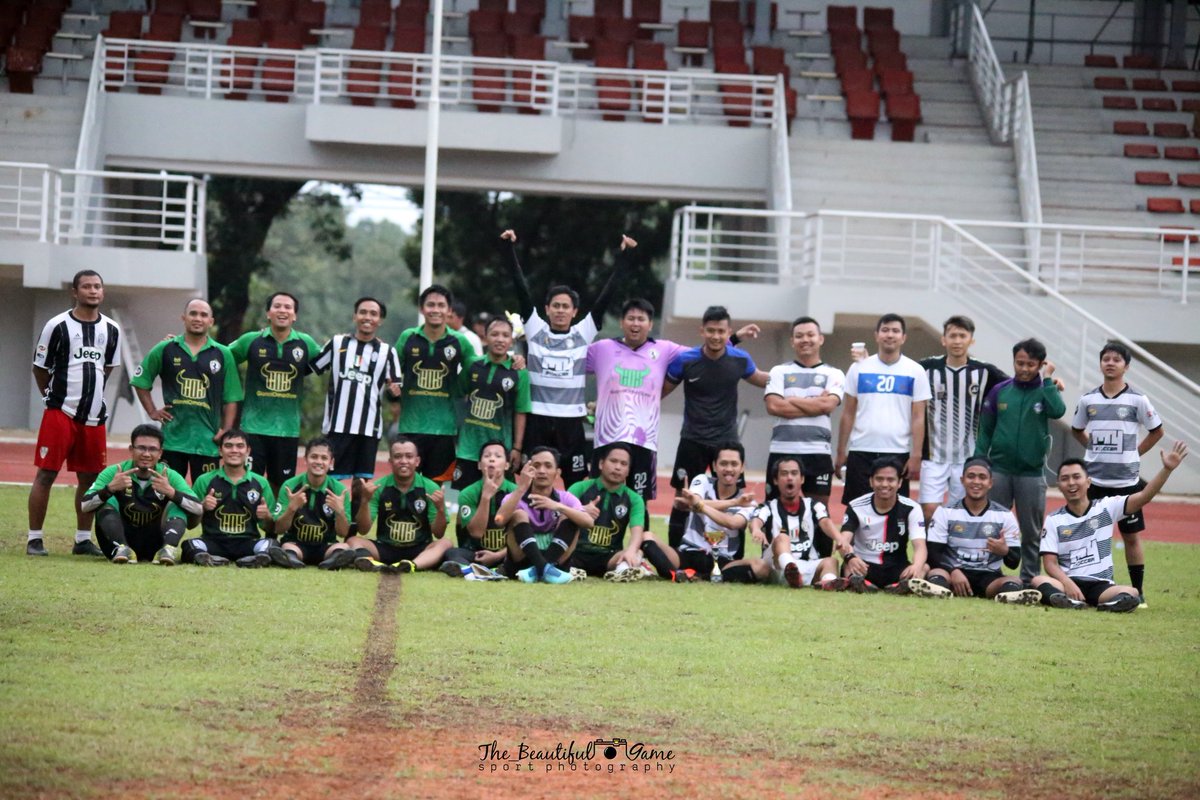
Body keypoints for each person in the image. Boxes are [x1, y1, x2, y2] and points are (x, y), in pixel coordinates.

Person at [501, 229, 632, 487]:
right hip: (537, 417)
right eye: (556, 306)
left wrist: (625, 258)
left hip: (571, 421)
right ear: (547, 309)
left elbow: (607, 296)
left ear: (575, 312)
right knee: (529, 481)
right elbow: (521, 288)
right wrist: (509, 249)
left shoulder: (583, 333)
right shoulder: (535, 329)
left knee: (574, 482)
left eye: (566, 307)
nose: (560, 311)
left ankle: (570, 526)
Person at [27, 269, 121, 558]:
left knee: (90, 479)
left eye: (97, 286)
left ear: (102, 292)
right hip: (60, 413)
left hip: (94, 417)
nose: (93, 291)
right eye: (87, 286)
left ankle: (82, 540)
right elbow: (39, 368)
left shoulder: (111, 329)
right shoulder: (56, 325)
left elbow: (107, 369)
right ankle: (34, 539)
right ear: (75, 292)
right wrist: (52, 397)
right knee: (46, 475)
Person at [1033, 442, 1188, 612]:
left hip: (1101, 586)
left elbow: (1144, 496)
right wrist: (1069, 584)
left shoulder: (1105, 507)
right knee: (1038, 581)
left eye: (1076, 477)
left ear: (1088, 482)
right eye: (1065, 479)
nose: (1071, 483)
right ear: (1059, 485)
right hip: (1068, 582)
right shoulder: (1054, 519)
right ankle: (1075, 601)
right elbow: (1050, 564)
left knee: (1132, 592)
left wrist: (1167, 470)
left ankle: (1101, 604)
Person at [663, 305, 768, 549]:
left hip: (726, 443)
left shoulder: (739, 359)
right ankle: (674, 555)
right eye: (710, 331)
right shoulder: (685, 360)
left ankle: (734, 555)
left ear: (728, 331)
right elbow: (659, 392)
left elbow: (762, 379)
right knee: (682, 497)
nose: (716, 336)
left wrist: (794, 378)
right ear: (702, 331)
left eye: (721, 331)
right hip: (692, 439)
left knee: (735, 499)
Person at [1070, 341, 1163, 605]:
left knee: (1130, 537)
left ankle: (1138, 591)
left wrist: (1135, 453)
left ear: (1126, 366)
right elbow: (1077, 429)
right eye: (1106, 359)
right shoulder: (1088, 399)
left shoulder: (1137, 399)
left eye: (1116, 360)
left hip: (1126, 483)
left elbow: (1157, 431)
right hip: (1095, 481)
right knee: (1088, 535)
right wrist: (1093, 448)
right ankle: (1085, 587)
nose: (1110, 363)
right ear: (1100, 364)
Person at [587, 298, 689, 526]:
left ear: (650, 324)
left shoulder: (664, 350)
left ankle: (640, 552)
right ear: (622, 322)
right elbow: (567, 362)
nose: (636, 324)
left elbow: (703, 355)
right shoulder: (602, 349)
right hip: (607, 437)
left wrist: (732, 339)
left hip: (644, 441)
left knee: (639, 502)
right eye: (631, 318)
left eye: (641, 319)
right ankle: (593, 551)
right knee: (598, 498)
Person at [974, 337, 1066, 583]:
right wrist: (979, 461)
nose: (1024, 369)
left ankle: (1029, 578)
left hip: (1031, 474)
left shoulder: (1047, 389)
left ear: (1041, 364)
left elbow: (1058, 411)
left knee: (1031, 530)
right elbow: (985, 430)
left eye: (1031, 364)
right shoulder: (1000, 390)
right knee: (993, 525)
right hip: (999, 470)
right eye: (1019, 363)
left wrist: (1047, 380)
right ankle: (991, 573)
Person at [310, 297, 402, 526]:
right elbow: (313, 365)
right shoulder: (337, 343)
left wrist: (395, 390)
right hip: (337, 425)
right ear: (354, 316)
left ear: (380, 320)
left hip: (368, 428)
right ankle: (328, 526)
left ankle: (351, 532)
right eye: (363, 312)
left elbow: (396, 390)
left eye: (373, 314)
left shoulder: (387, 352)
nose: (367, 317)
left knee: (361, 484)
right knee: (332, 480)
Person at [131, 298, 242, 482]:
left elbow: (231, 398)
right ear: (184, 318)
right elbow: (140, 380)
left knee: (206, 494)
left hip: (207, 441)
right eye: (193, 313)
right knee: (165, 492)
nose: (198, 318)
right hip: (173, 440)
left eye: (203, 315)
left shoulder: (223, 353)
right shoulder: (165, 348)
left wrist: (226, 431)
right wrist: (152, 411)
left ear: (211, 321)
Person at [763, 316, 846, 555]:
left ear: (820, 339)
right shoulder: (779, 371)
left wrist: (791, 399)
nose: (805, 340)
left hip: (817, 453)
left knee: (820, 509)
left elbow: (828, 407)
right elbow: (774, 407)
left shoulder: (834, 373)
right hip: (782, 450)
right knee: (774, 507)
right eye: (799, 336)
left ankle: (822, 565)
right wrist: (814, 401)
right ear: (792, 341)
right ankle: (771, 561)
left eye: (810, 335)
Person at [228, 292, 322, 492]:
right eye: (277, 306)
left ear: (295, 315)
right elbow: (220, 356)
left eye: (288, 307)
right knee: (248, 483)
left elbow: (329, 360)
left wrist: (348, 344)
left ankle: (275, 523)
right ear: (268, 313)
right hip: (253, 428)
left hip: (287, 429)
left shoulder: (306, 343)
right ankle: (250, 522)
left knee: (281, 487)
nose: (282, 310)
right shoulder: (251, 340)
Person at [917, 316, 1007, 524]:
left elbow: (1016, 385)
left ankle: (954, 554)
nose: (957, 340)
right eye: (953, 336)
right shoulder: (926, 368)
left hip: (967, 457)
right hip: (933, 456)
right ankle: (932, 555)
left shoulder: (985, 371)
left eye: (962, 336)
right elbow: (899, 370)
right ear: (944, 340)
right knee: (929, 511)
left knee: (959, 514)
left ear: (971, 341)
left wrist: (1048, 383)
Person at [835, 313, 931, 507]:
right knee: (856, 509)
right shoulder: (858, 368)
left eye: (895, 331)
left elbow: (919, 416)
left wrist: (916, 454)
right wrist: (840, 451)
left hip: (897, 451)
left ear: (903, 337)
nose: (890, 335)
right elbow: (848, 413)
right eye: (885, 330)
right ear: (876, 335)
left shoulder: (915, 371)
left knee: (895, 510)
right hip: (861, 450)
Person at [79, 424, 202, 565]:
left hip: (155, 543)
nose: (146, 454)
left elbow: (198, 508)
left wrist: (171, 492)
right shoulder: (115, 472)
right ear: (131, 450)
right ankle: (122, 548)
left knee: (177, 502)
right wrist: (109, 489)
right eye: (141, 448)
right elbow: (85, 506)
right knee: (106, 499)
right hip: (116, 544)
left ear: (160, 453)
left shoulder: (169, 475)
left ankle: (167, 549)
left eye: (152, 449)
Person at [394, 285, 479, 483]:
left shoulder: (460, 342)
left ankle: (436, 515)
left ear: (449, 311)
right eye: (430, 304)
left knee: (438, 489)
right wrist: (393, 390)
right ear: (421, 309)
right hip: (411, 426)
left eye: (441, 305)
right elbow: (391, 371)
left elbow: (478, 370)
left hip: (445, 428)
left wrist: (513, 361)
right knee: (406, 484)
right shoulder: (408, 337)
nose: (435, 309)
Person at [924, 458, 1039, 604]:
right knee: (935, 573)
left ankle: (1008, 595)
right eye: (971, 476)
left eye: (982, 477)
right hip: (953, 574)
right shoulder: (945, 512)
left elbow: (1014, 563)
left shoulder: (1004, 516)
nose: (976, 482)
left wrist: (1005, 551)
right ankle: (940, 589)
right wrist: (953, 571)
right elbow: (933, 553)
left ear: (990, 483)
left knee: (1013, 581)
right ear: (962, 480)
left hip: (989, 577)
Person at [348, 436, 451, 573]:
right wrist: (365, 501)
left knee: (446, 543)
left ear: (417, 461)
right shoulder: (379, 486)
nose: (403, 461)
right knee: (353, 541)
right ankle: (372, 564)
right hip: (386, 548)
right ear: (390, 461)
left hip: (419, 549)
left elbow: (438, 533)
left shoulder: (431, 488)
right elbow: (363, 529)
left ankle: (412, 565)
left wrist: (441, 510)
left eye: (409, 456)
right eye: (398, 457)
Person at [182, 429, 283, 568]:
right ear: (220, 451)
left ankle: (256, 558)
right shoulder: (204, 480)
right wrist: (202, 508)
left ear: (248, 451)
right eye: (228, 446)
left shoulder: (260, 482)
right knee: (189, 544)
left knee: (272, 544)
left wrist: (267, 516)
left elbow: (271, 528)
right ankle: (208, 558)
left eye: (240, 446)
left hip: (247, 543)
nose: (234, 450)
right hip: (213, 542)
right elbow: (190, 524)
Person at [494, 446, 594, 584]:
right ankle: (544, 568)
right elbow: (499, 520)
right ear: (528, 470)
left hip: (557, 561)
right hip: (521, 563)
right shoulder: (515, 496)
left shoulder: (565, 498)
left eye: (548, 466)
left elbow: (589, 522)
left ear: (557, 472)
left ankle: (539, 570)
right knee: (519, 515)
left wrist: (557, 506)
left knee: (571, 516)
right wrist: (522, 487)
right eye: (536, 466)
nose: (541, 471)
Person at [453, 315, 530, 490]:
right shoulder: (472, 365)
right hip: (468, 448)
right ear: (485, 337)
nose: (500, 339)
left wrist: (517, 448)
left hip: (501, 450)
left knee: (502, 502)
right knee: (465, 500)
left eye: (505, 335)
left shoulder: (519, 373)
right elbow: (457, 395)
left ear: (511, 341)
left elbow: (521, 411)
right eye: (495, 334)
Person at [744, 456, 844, 589]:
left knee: (831, 562)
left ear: (802, 479)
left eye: (794, 473)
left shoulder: (814, 505)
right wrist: (756, 530)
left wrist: (839, 538)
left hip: (806, 564)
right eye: (784, 474)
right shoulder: (767, 507)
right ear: (775, 480)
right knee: (782, 537)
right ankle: (791, 570)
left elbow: (825, 521)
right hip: (777, 566)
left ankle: (828, 583)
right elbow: (756, 521)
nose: (789, 478)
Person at [836, 457, 933, 594]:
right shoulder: (856, 506)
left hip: (897, 567)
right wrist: (850, 558)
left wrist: (916, 566)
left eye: (890, 480)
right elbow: (843, 540)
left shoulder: (912, 508)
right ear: (871, 481)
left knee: (924, 567)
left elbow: (920, 546)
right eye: (879, 479)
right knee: (848, 566)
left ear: (899, 483)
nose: (884, 484)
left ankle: (903, 585)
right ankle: (859, 582)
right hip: (864, 566)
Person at [674, 443, 757, 582]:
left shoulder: (749, 502)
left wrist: (697, 503)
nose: (729, 469)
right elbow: (693, 503)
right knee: (648, 539)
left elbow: (732, 523)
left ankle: (697, 577)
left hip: (725, 559)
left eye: (734, 464)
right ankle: (698, 575)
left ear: (742, 467)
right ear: (714, 466)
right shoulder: (702, 480)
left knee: (760, 567)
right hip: (690, 553)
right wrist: (734, 503)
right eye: (723, 463)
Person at [567, 443, 650, 580]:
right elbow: (558, 515)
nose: (617, 467)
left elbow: (637, 532)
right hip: (576, 552)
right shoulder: (580, 487)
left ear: (628, 471)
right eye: (613, 461)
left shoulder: (634, 499)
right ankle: (569, 569)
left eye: (624, 464)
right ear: (601, 464)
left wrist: (630, 551)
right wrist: (581, 510)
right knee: (560, 554)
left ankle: (623, 570)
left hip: (610, 556)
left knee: (636, 552)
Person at [273, 437, 354, 569]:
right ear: (305, 459)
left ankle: (331, 560)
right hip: (295, 544)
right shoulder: (290, 486)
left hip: (326, 546)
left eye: (324, 458)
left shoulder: (340, 490)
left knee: (343, 547)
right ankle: (291, 558)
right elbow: (279, 528)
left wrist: (340, 511)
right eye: (314, 457)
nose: (318, 462)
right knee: (287, 547)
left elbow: (343, 533)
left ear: (331, 462)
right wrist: (291, 508)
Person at [450, 441, 518, 572]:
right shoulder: (467, 493)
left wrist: (497, 555)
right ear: (479, 465)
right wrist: (485, 497)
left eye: (498, 456)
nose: (492, 459)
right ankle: (474, 570)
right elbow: (476, 532)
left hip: (506, 553)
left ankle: (497, 569)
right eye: (487, 456)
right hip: (476, 553)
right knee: (452, 553)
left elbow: (523, 536)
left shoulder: (515, 492)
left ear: (507, 465)